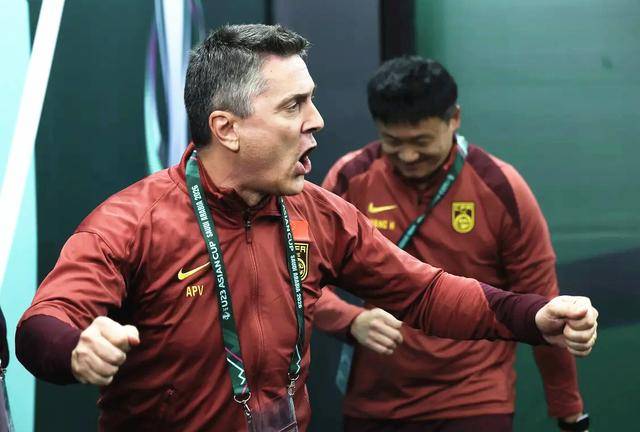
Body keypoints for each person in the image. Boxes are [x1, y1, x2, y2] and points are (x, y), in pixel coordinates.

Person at [15, 25, 597, 431]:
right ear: (227, 128)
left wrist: (533, 318)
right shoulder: (133, 221)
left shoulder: (318, 212)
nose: (316, 121)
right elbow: (42, 323)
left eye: (311, 101)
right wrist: (76, 348)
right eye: (294, 106)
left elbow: (424, 292)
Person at [314, 56, 590, 432]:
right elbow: (300, 280)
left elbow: (543, 302)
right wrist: (350, 320)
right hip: (375, 403)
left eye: (421, 141)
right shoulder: (350, 179)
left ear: (454, 118)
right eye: (393, 142)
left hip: (474, 399)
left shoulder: (500, 187)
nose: (408, 155)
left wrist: (568, 409)